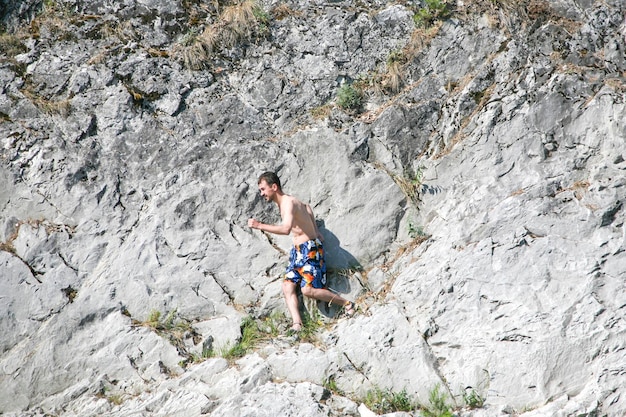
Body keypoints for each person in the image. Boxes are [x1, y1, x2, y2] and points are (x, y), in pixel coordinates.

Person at [248, 171, 355, 332]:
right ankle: (297, 324)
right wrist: (315, 229)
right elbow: (306, 207)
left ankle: (347, 304)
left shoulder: (287, 202)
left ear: (274, 187)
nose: (262, 194)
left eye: (263, 189)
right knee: (287, 285)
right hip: (298, 252)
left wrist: (259, 225)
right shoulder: (287, 201)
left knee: (308, 290)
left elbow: (285, 229)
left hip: (310, 250)